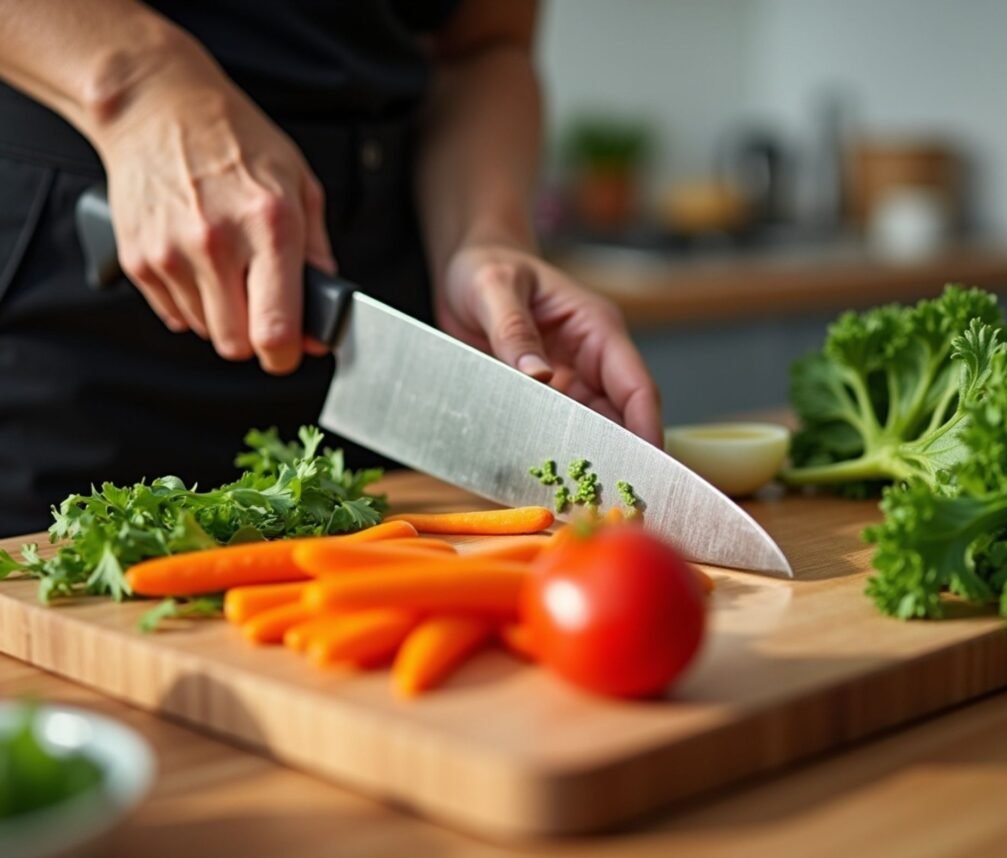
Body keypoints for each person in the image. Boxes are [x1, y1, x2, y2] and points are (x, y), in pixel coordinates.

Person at [0, 0, 661, 537]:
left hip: (383, 306)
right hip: (84, 304)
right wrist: (140, 83)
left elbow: (485, 47)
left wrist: (485, 233)